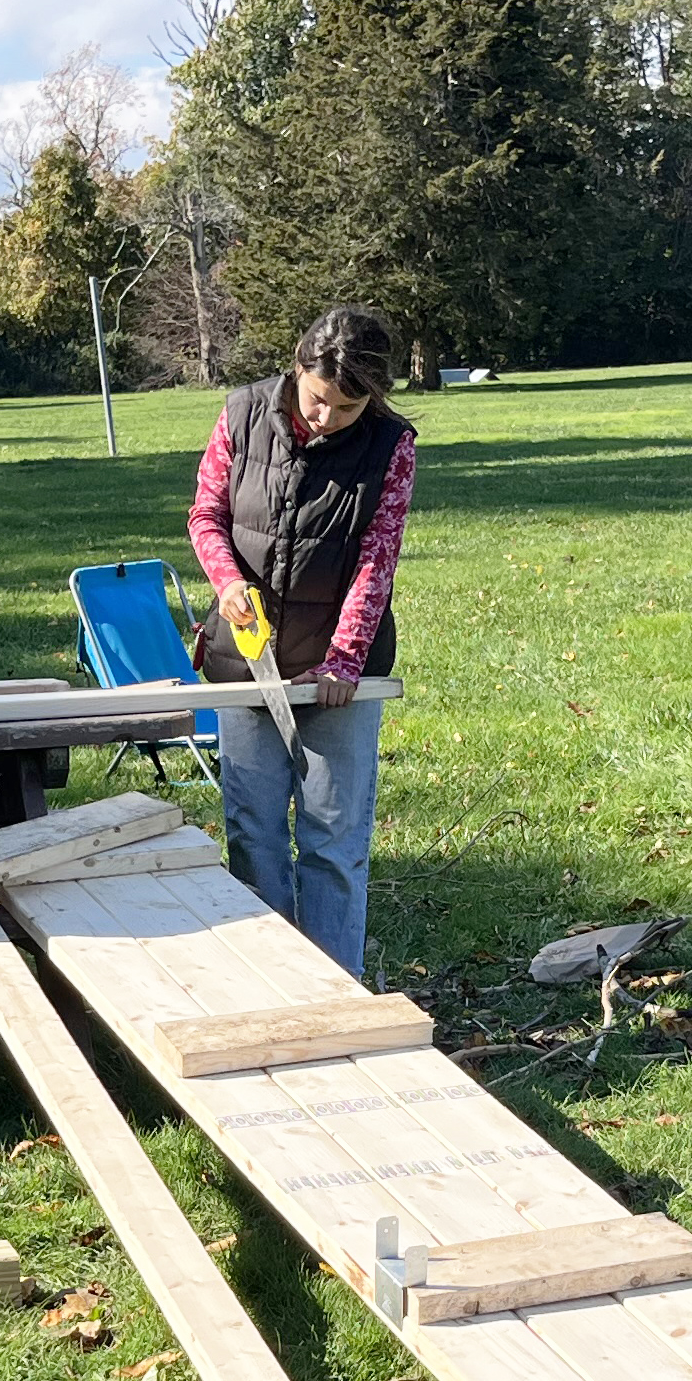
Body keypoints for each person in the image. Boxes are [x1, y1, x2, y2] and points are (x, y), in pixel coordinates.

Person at [186, 305, 417, 976]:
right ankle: (271, 982)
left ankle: (333, 988)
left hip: (340, 670)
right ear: (297, 368)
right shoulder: (239, 413)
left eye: (346, 408)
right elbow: (206, 513)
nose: (325, 418)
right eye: (318, 399)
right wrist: (227, 582)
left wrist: (343, 657)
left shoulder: (390, 445)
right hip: (245, 659)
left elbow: (377, 555)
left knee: (331, 838)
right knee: (252, 834)